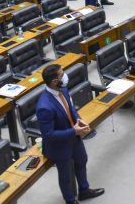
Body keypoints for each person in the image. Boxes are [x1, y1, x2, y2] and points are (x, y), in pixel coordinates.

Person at [36, 64, 104, 204]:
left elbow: (70, 109)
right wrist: (74, 131)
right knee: (66, 176)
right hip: (59, 146)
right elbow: (48, 135)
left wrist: (79, 120)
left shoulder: (63, 90)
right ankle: (70, 201)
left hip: (74, 137)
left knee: (82, 160)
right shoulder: (44, 107)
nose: (65, 76)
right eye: (62, 75)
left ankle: (84, 191)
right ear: (54, 82)